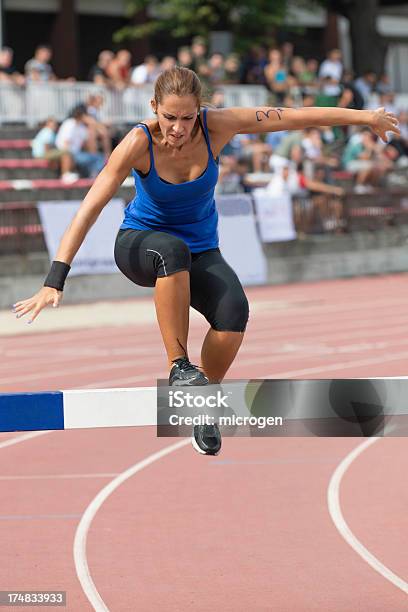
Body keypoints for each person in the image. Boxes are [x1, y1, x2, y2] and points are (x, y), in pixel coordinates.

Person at [12, 66, 400, 455]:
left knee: (234, 314)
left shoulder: (220, 126)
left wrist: (365, 117)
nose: (178, 128)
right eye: (169, 117)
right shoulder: (138, 141)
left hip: (200, 251)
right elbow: (89, 208)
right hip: (138, 245)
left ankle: (203, 404)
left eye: (187, 117)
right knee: (172, 251)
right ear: (154, 108)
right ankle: (179, 367)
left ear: (200, 109)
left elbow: (294, 116)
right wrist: (54, 278)